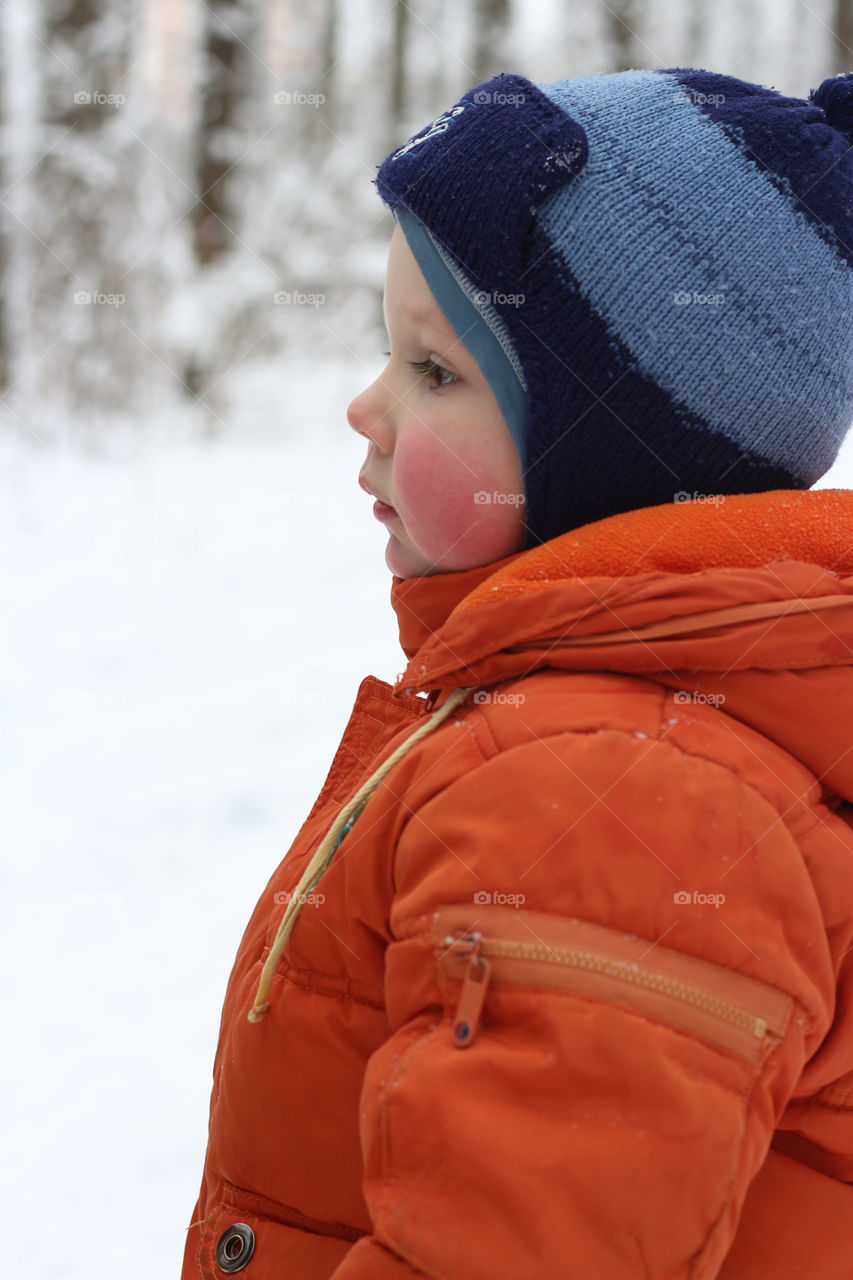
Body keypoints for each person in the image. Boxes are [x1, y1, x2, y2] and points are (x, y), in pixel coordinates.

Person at [183, 66, 853, 1279]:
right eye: (386, 350)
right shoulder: (599, 725)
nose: (364, 407)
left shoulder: (617, 792)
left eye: (435, 371)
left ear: (615, 457)